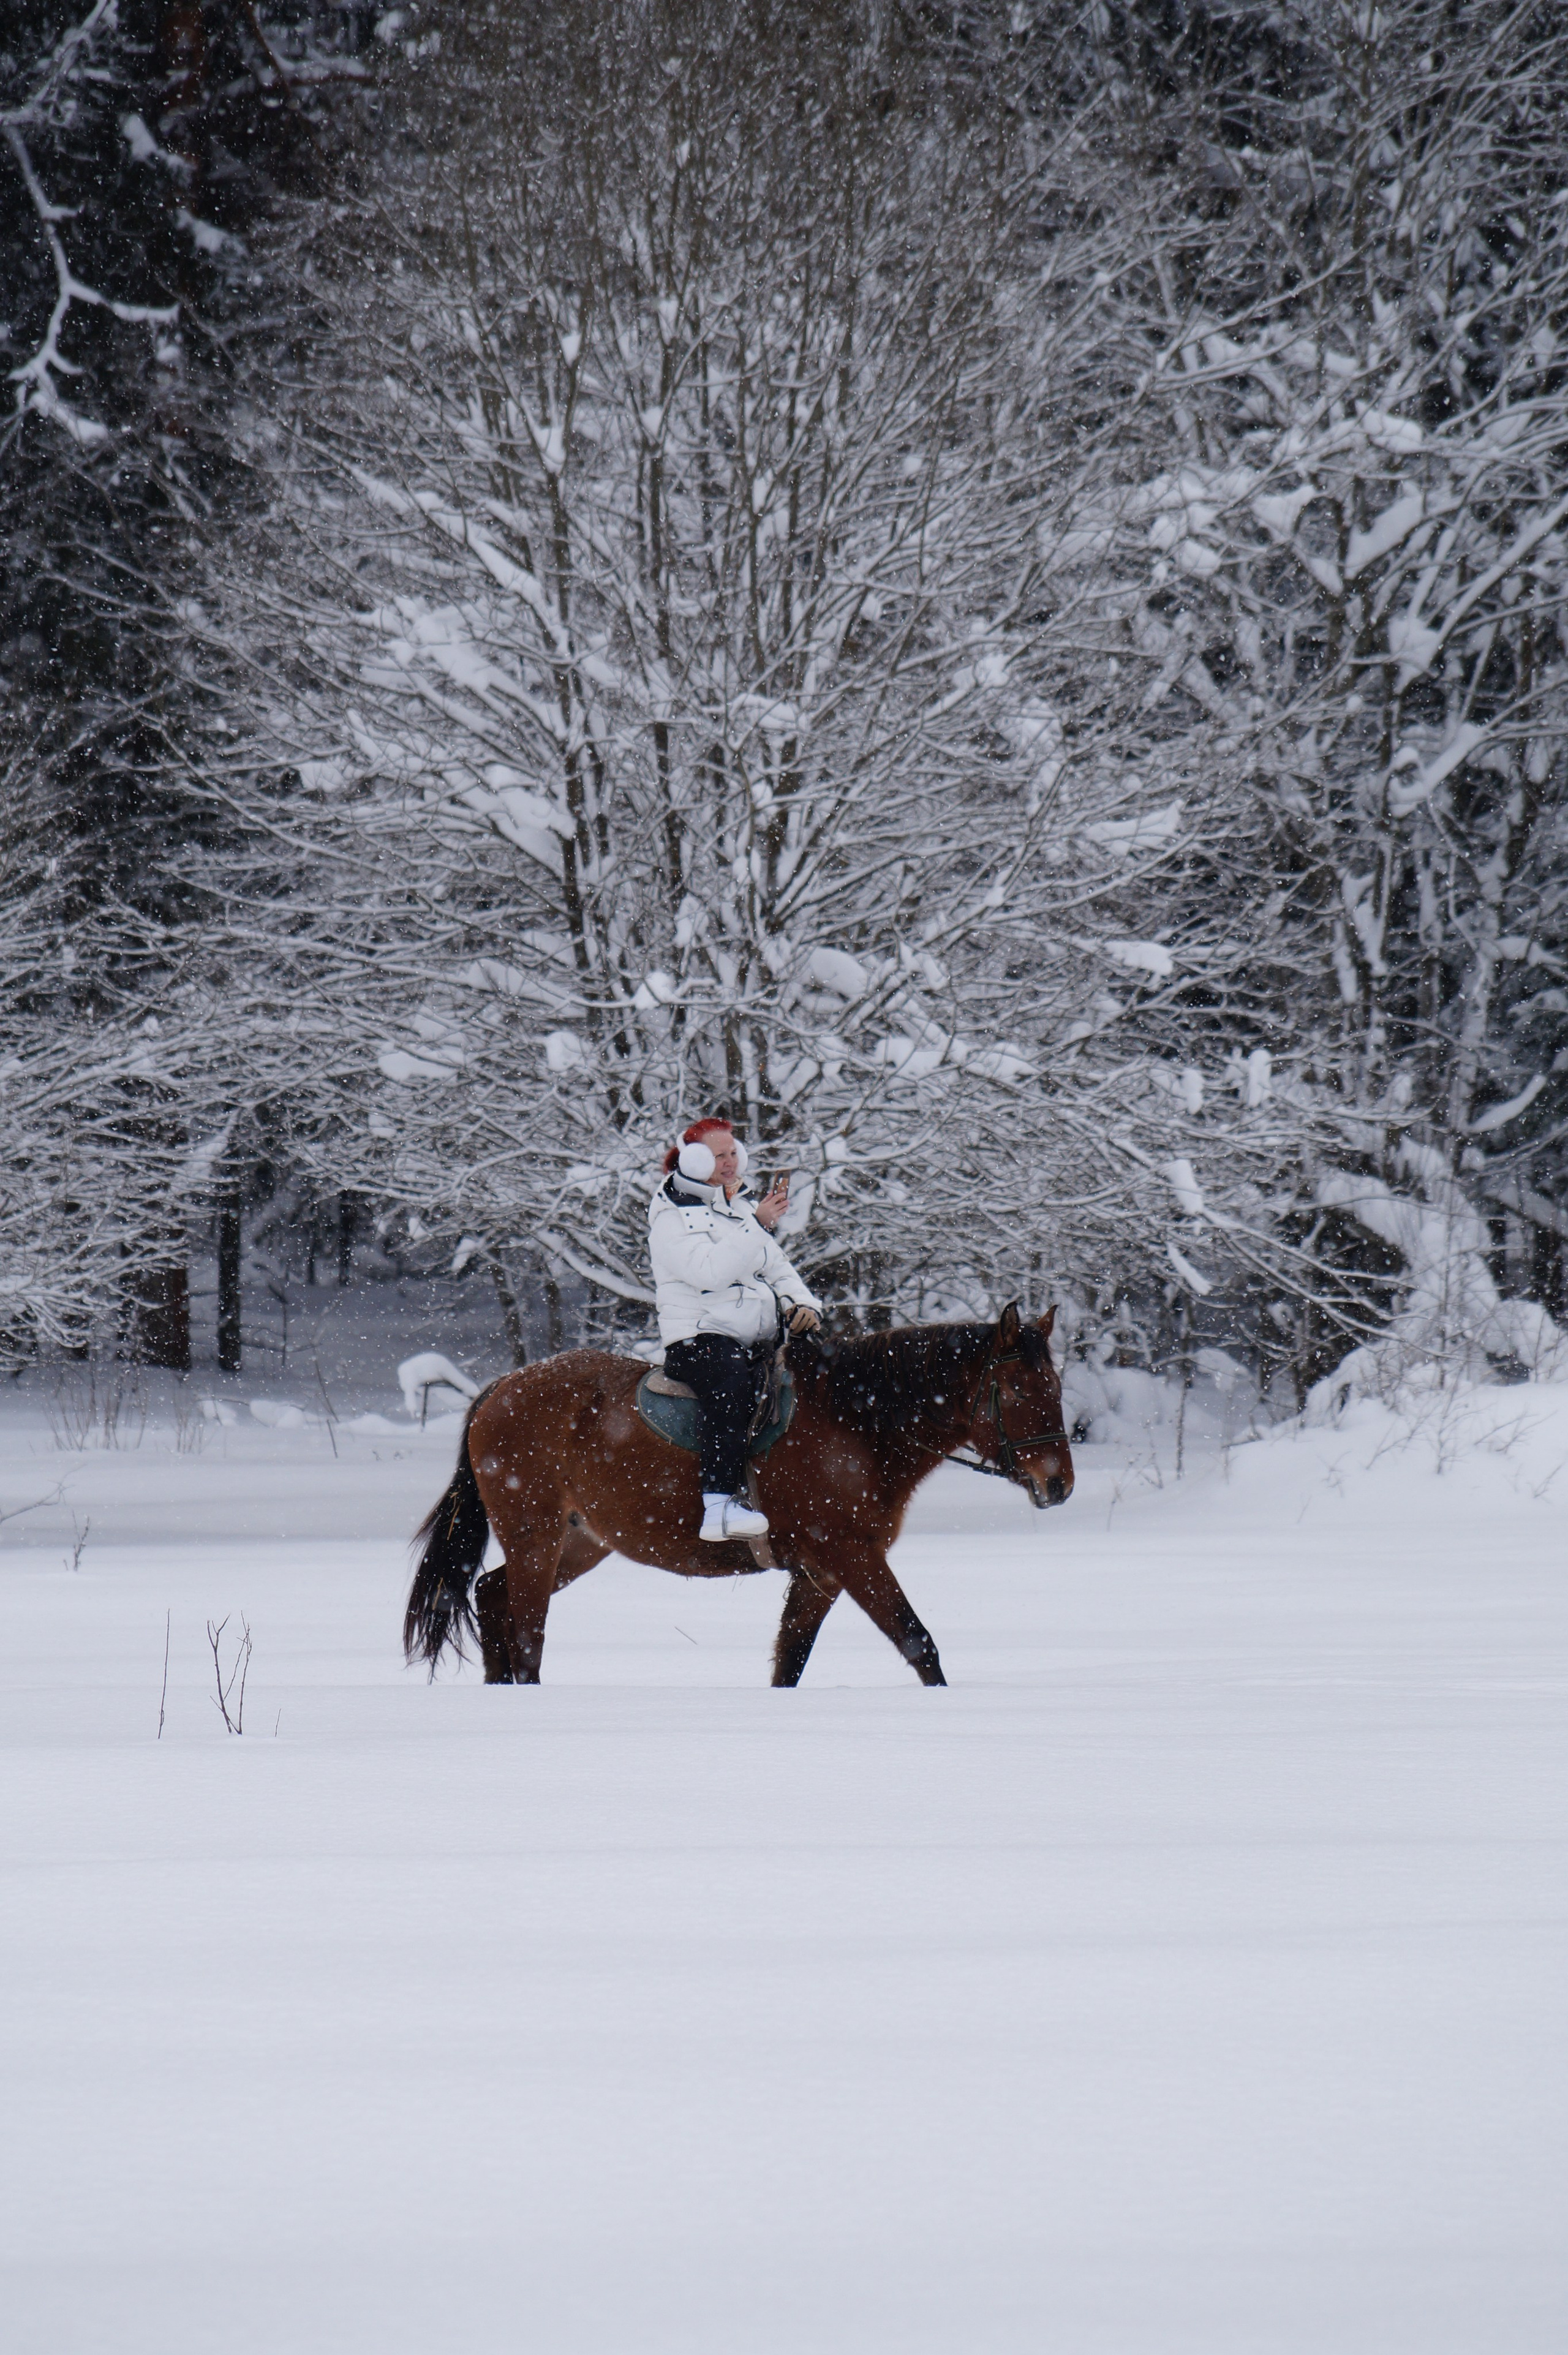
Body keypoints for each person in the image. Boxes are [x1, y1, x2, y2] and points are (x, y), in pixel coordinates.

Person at [648, 1117, 821, 1542]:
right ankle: (719, 1507)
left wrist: (804, 1304)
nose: (729, 1162)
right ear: (695, 1159)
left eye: (732, 1153)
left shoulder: (739, 1208)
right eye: (718, 1155)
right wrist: (757, 1225)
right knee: (731, 1384)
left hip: (752, 1338)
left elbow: (777, 1268)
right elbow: (709, 1272)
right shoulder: (671, 1215)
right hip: (700, 1339)